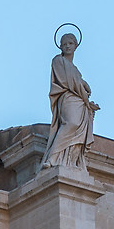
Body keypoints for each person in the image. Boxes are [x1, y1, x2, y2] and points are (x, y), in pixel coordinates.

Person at [46, 29, 97, 169]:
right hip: (66, 97)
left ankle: (69, 160)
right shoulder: (58, 60)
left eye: (70, 43)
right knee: (71, 123)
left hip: (79, 101)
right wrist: (83, 86)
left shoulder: (76, 70)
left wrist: (86, 100)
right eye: (64, 44)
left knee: (77, 129)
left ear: (75, 46)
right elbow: (67, 81)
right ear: (60, 46)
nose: (67, 46)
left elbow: (75, 80)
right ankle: (52, 157)